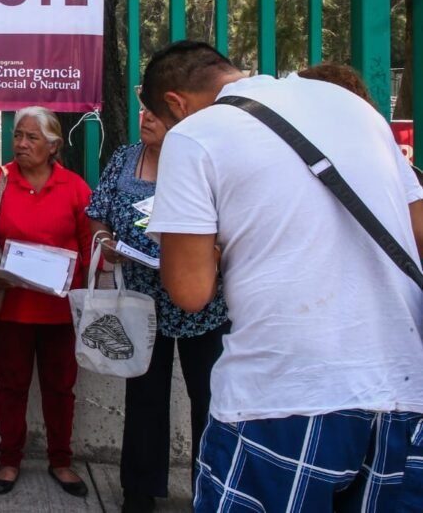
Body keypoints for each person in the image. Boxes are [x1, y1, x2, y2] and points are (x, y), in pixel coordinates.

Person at [141, 40, 423, 511]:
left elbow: (190, 292)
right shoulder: (350, 106)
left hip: (281, 397)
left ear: (175, 103)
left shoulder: (195, 134)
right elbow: (416, 232)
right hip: (402, 391)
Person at [87, 106, 229, 513]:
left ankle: (211, 488)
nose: (145, 117)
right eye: (143, 109)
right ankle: (139, 489)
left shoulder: (204, 161)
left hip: (201, 304)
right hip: (141, 300)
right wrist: (107, 243)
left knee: (209, 398)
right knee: (145, 396)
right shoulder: (125, 158)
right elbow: (97, 215)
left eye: (156, 113)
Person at [0, 106, 92, 498]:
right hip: (11, 307)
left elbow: (88, 244)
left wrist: (78, 283)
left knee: (61, 388)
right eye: (18, 135)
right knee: (11, 385)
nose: (21, 144)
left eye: (32, 138)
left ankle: (61, 461)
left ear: (53, 145)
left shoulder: (74, 187)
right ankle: (10, 458)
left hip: (59, 310)